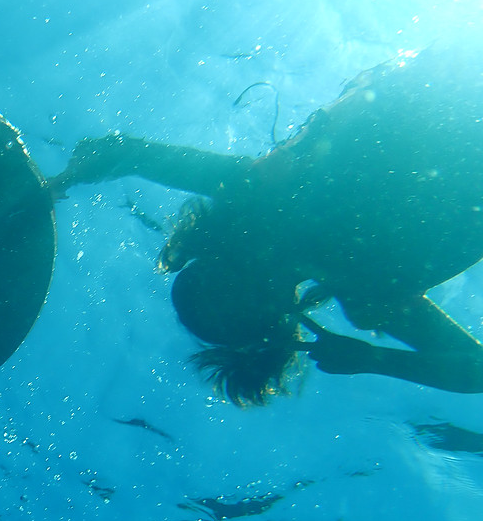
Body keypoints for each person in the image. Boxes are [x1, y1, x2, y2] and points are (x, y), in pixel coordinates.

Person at [50, 41, 483, 404]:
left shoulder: (258, 190)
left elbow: (127, 152)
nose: (243, 287)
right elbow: (474, 372)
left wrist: (53, 183)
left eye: (223, 288)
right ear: (271, 320)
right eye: (238, 306)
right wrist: (373, 360)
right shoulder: (366, 291)